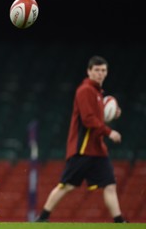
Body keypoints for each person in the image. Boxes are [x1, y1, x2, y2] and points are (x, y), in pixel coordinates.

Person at [35, 55, 127, 223]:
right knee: (66, 185)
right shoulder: (85, 90)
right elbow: (88, 119)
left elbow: (96, 117)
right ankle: (42, 218)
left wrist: (112, 114)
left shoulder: (98, 93)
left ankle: (120, 221)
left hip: (97, 149)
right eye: (97, 70)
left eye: (103, 70)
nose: (100, 73)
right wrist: (109, 132)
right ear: (89, 71)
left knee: (110, 184)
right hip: (82, 148)